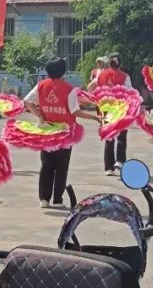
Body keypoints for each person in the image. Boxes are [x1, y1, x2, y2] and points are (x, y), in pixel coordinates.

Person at [24, 58, 101, 209]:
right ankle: (57, 199)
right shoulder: (69, 89)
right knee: (61, 166)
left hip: (47, 131)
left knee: (46, 165)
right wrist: (94, 117)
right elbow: (75, 111)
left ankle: (44, 199)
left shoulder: (41, 85)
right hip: (65, 133)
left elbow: (27, 102)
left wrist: (40, 116)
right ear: (63, 71)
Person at [89, 54, 133, 176]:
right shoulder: (125, 76)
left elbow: (90, 87)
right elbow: (130, 92)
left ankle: (109, 168)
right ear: (120, 64)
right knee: (121, 136)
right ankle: (120, 161)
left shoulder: (101, 75)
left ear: (109, 62)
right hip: (120, 108)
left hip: (105, 108)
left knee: (109, 137)